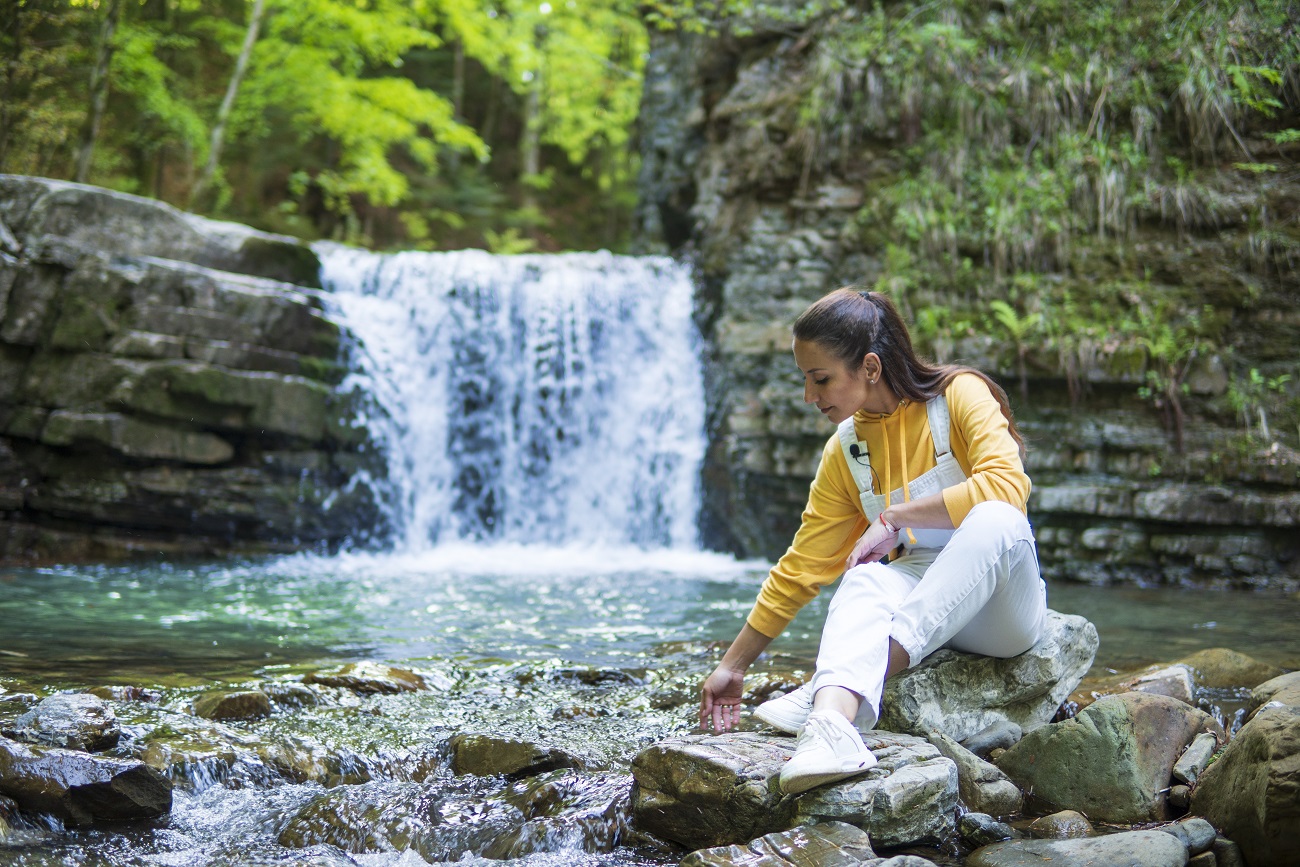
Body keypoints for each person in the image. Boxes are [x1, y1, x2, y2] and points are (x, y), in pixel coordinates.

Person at [698, 287, 1047, 795]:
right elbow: (801, 566)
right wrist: (732, 666)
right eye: (805, 380)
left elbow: (1007, 487)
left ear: (869, 367)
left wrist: (894, 517)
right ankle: (833, 727)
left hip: (1001, 611)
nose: (810, 397)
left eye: (820, 379)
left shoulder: (960, 394)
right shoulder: (846, 449)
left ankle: (842, 682)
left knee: (995, 517)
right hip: (923, 598)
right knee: (862, 581)